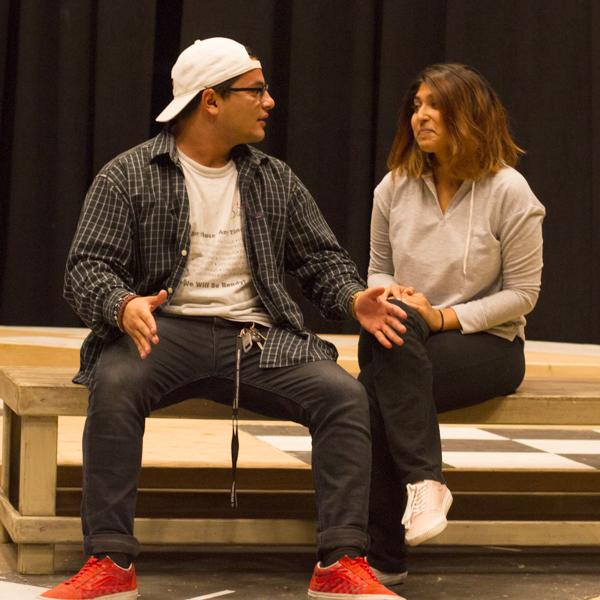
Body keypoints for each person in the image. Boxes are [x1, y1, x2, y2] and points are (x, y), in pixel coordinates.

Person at [41, 38, 409, 600]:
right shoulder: (130, 175)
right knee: (115, 386)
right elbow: (86, 268)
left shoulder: (272, 178)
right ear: (211, 100)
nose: (269, 102)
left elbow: (320, 259)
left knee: (342, 396)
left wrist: (354, 297)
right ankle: (110, 562)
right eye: (256, 90)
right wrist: (122, 304)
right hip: (164, 332)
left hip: (260, 340)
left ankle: (340, 563)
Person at [357, 63, 545, 586]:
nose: (421, 115)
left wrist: (441, 315)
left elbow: (523, 295)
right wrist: (393, 291)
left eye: (434, 104)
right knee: (386, 340)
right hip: (409, 336)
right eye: (416, 104)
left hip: (486, 343)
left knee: (371, 389)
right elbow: (377, 266)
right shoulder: (394, 187)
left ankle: (380, 554)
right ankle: (423, 491)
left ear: (471, 114)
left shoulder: (510, 191)